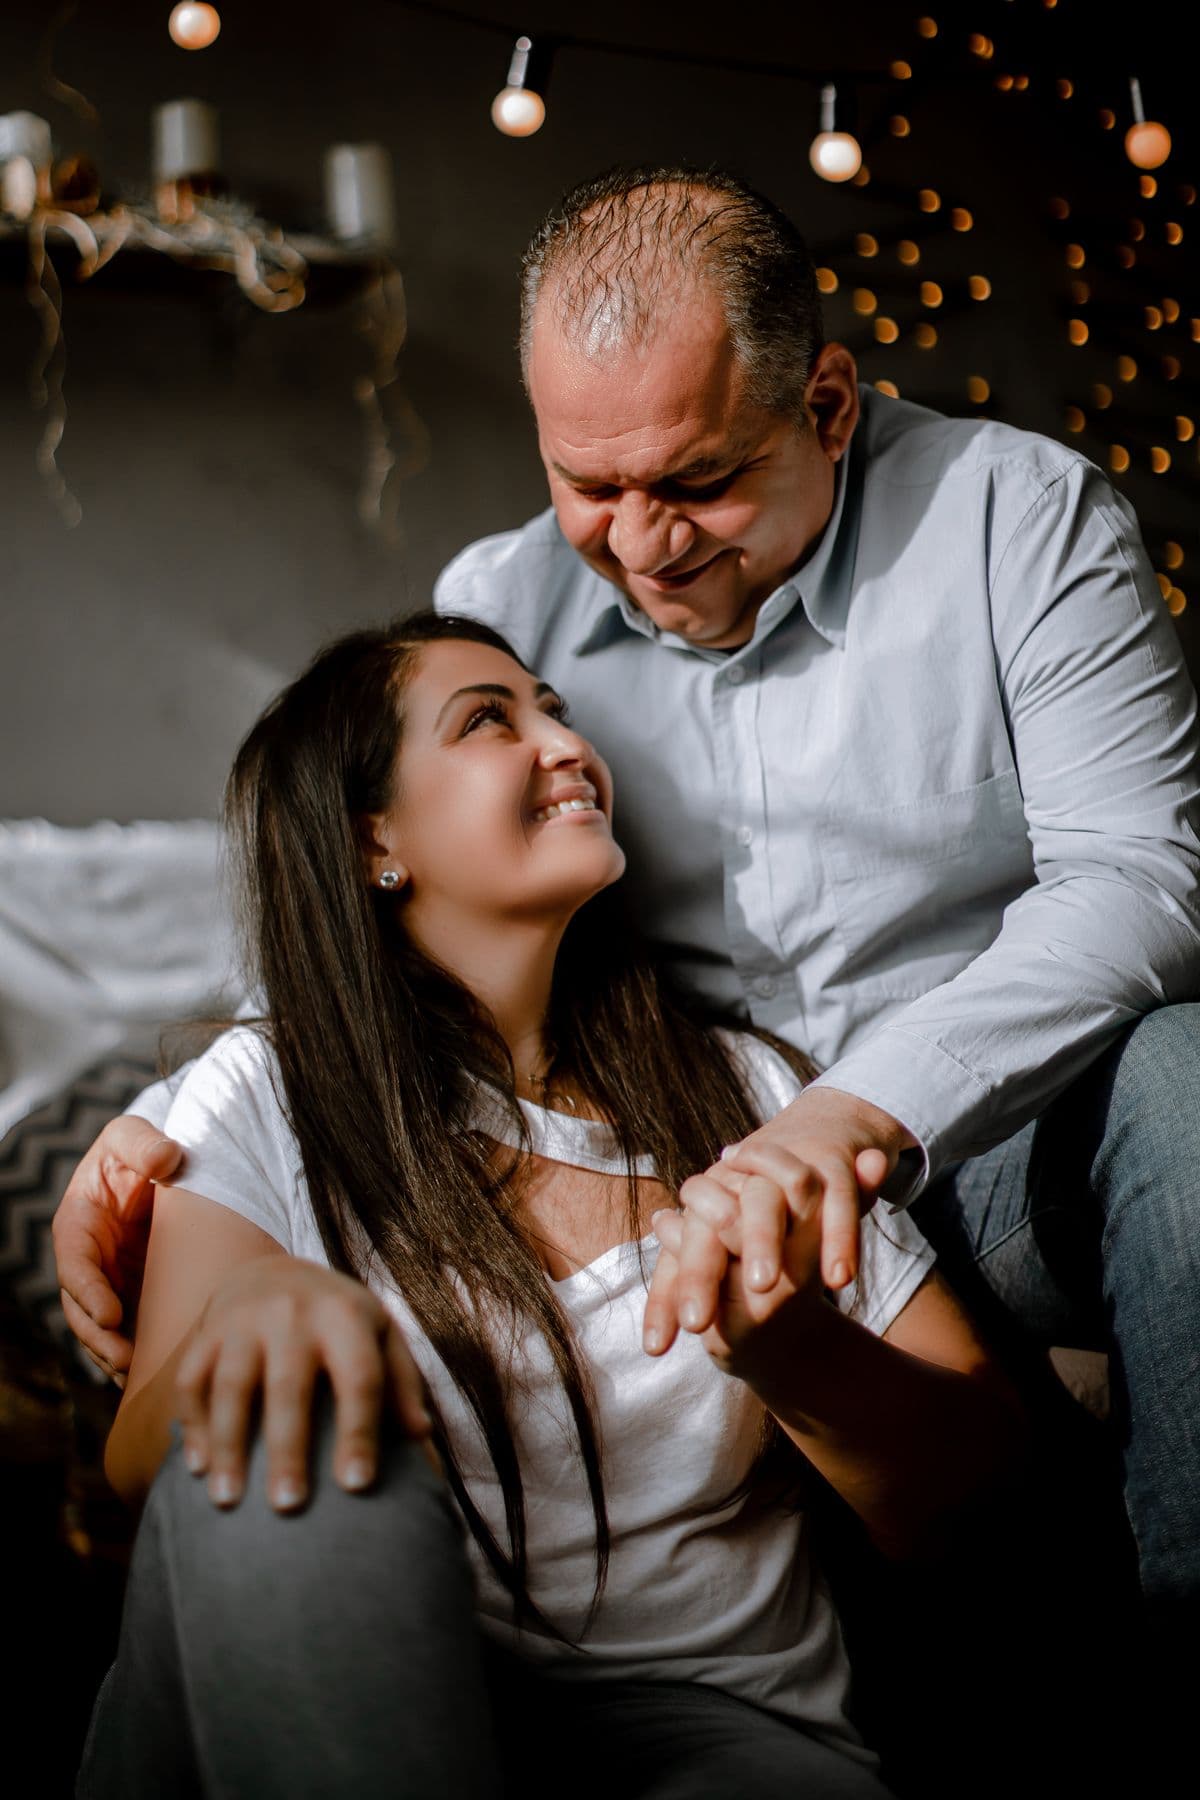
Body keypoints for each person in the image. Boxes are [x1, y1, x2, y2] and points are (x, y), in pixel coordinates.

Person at [55, 166, 1200, 1619]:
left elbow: (1142, 877)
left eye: (701, 482)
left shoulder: (1012, 519)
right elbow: (365, 900)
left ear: (829, 404)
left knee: (1184, 1080)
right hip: (701, 1163)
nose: (645, 546)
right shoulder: (508, 600)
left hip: (985, 1145)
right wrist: (162, 1135)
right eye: (590, 486)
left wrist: (848, 1123)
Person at [78, 611, 1023, 1798]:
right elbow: (137, 1464)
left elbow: (984, 1507)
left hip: (703, 1726)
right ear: (377, 838)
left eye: (556, 711)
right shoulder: (263, 1088)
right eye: (490, 721)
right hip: (330, 1679)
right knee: (295, 1411)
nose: (564, 745)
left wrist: (799, 1354)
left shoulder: (747, 1091)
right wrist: (258, 1304)